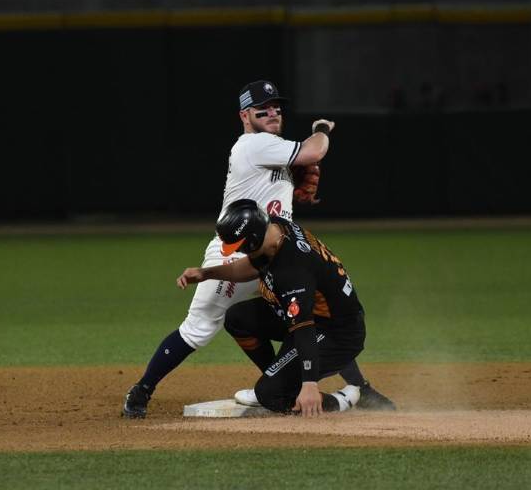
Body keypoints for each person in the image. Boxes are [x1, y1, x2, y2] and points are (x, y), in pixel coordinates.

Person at [122, 80, 395, 418]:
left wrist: (291, 192)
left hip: (275, 257)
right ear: (245, 116)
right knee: (199, 327)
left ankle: (340, 387)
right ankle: (142, 390)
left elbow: (272, 199)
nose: (272, 112)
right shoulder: (254, 144)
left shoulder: (272, 148)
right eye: (261, 109)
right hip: (236, 253)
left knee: (312, 317)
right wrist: (322, 128)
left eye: (276, 107)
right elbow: (315, 151)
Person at [177, 199, 385, 416]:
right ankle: (278, 379)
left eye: (239, 246)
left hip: (335, 334)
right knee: (238, 318)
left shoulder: (292, 270)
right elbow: (253, 266)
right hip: (315, 317)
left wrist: (309, 384)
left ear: (253, 241)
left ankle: (343, 399)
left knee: (270, 395)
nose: (236, 251)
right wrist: (206, 273)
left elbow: (304, 329)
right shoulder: (274, 228)